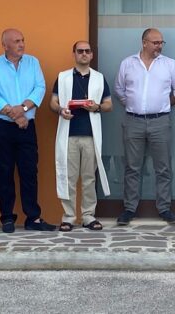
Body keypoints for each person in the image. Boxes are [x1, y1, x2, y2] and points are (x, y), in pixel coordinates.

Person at [0, 28, 55, 233]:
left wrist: (23, 109)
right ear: (5, 45)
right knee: (4, 171)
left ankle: (33, 217)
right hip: (0, 124)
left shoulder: (33, 62)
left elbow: (40, 88)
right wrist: (14, 114)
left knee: (29, 171)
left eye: (22, 40)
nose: (21, 44)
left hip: (26, 125)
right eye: (16, 41)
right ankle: (7, 217)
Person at [115, 28, 175, 226]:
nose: (159, 46)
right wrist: (134, 106)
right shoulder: (127, 63)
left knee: (163, 167)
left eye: (161, 42)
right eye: (156, 42)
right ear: (144, 43)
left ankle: (164, 208)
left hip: (160, 121)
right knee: (132, 167)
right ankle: (129, 209)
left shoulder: (169, 64)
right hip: (133, 121)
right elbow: (119, 90)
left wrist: (163, 106)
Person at [50, 41, 112, 231]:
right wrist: (60, 110)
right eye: (80, 51)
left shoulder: (99, 78)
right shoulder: (63, 77)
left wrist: (96, 107)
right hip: (68, 134)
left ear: (91, 55)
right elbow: (53, 102)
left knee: (89, 178)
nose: (84, 54)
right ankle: (68, 217)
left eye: (87, 51)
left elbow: (109, 104)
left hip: (90, 135)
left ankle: (88, 215)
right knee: (68, 177)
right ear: (74, 54)